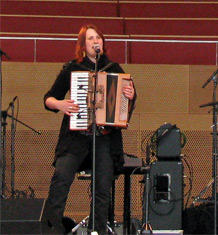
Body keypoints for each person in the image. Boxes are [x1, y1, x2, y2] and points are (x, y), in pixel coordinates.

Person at [43, 24, 136, 234]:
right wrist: (60, 104)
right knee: (61, 180)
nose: (96, 42)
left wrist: (129, 95)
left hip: (104, 137)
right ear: (83, 45)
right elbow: (48, 98)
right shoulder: (73, 68)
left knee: (102, 189)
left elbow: (126, 102)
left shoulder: (113, 68)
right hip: (76, 138)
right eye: (91, 39)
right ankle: (51, 229)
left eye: (99, 38)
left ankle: (98, 230)